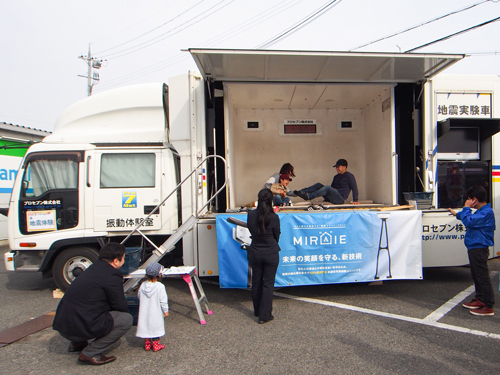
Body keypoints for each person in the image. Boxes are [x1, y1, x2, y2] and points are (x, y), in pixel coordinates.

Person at [52, 242, 133, 365]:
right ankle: (90, 353)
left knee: (90, 306)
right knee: (125, 319)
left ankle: (77, 344)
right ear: (116, 261)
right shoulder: (112, 275)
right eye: (123, 257)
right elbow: (120, 305)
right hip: (79, 327)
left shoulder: (93, 268)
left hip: (63, 325)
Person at [448, 185, 496, 316]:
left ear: (474, 199)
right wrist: (457, 214)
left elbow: (469, 221)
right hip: (475, 247)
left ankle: (488, 305)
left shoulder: (487, 212)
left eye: (469, 199)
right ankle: (480, 299)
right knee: (476, 275)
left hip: (479, 248)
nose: (468, 201)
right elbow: (469, 219)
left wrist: (466, 208)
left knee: (482, 277)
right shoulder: (482, 211)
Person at [247, 188, 281, 324]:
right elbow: (276, 235)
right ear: (271, 201)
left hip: (255, 251)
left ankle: (257, 311)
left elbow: (251, 230)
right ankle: (264, 315)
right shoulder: (274, 217)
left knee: (256, 282)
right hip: (271, 252)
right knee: (268, 284)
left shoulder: (251, 215)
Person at [135, 262, 169, 352]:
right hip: (155, 312)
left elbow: (139, 295)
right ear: (159, 275)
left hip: (144, 311)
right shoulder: (160, 287)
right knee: (155, 327)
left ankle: (147, 344)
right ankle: (156, 344)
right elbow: (163, 301)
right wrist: (166, 310)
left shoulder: (142, 285)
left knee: (145, 325)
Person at [294, 159, 359, 205]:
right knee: (318, 185)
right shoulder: (336, 177)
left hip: (340, 199)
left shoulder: (349, 176)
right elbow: (332, 189)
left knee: (327, 187)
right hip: (333, 196)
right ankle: (302, 192)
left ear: (344, 167)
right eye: (336, 167)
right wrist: (327, 198)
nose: (337, 169)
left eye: (338, 167)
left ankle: (309, 196)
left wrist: (355, 200)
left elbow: (354, 188)